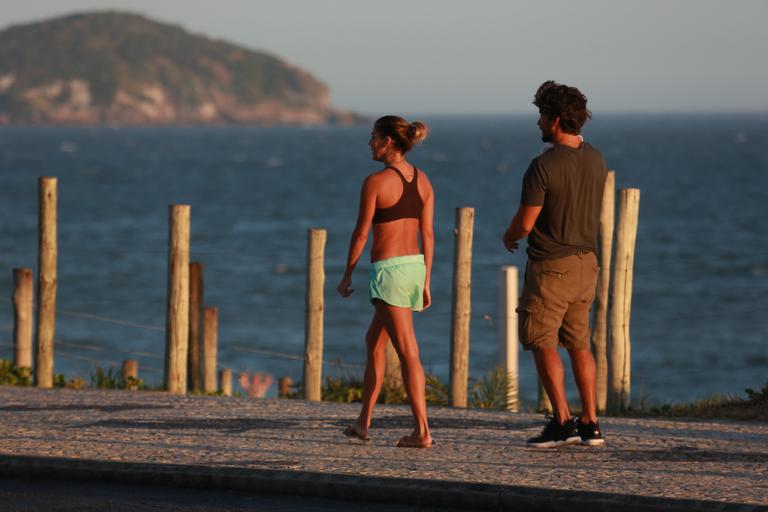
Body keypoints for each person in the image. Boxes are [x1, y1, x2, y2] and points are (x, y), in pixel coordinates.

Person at [502, 81, 607, 448]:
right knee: (580, 343)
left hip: (552, 266)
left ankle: (562, 421)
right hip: (587, 264)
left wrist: (509, 235)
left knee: (541, 338)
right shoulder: (596, 158)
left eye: (542, 115)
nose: (538, 123)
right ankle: (591, 423)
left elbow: (526, 222)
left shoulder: (543, 166)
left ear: (557, 119)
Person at [337, 115, 434, 449]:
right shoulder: (423, 180)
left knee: (408, 351)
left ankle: (422, 431)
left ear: (388, 141)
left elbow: (361, 232)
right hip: (414, 268)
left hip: (390, 272)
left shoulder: (376, 182)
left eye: (373, 137)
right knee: (374, 343)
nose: (370, 143)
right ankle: (363, 422)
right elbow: (428, 234)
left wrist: (348, 272)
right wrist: (426, 281)